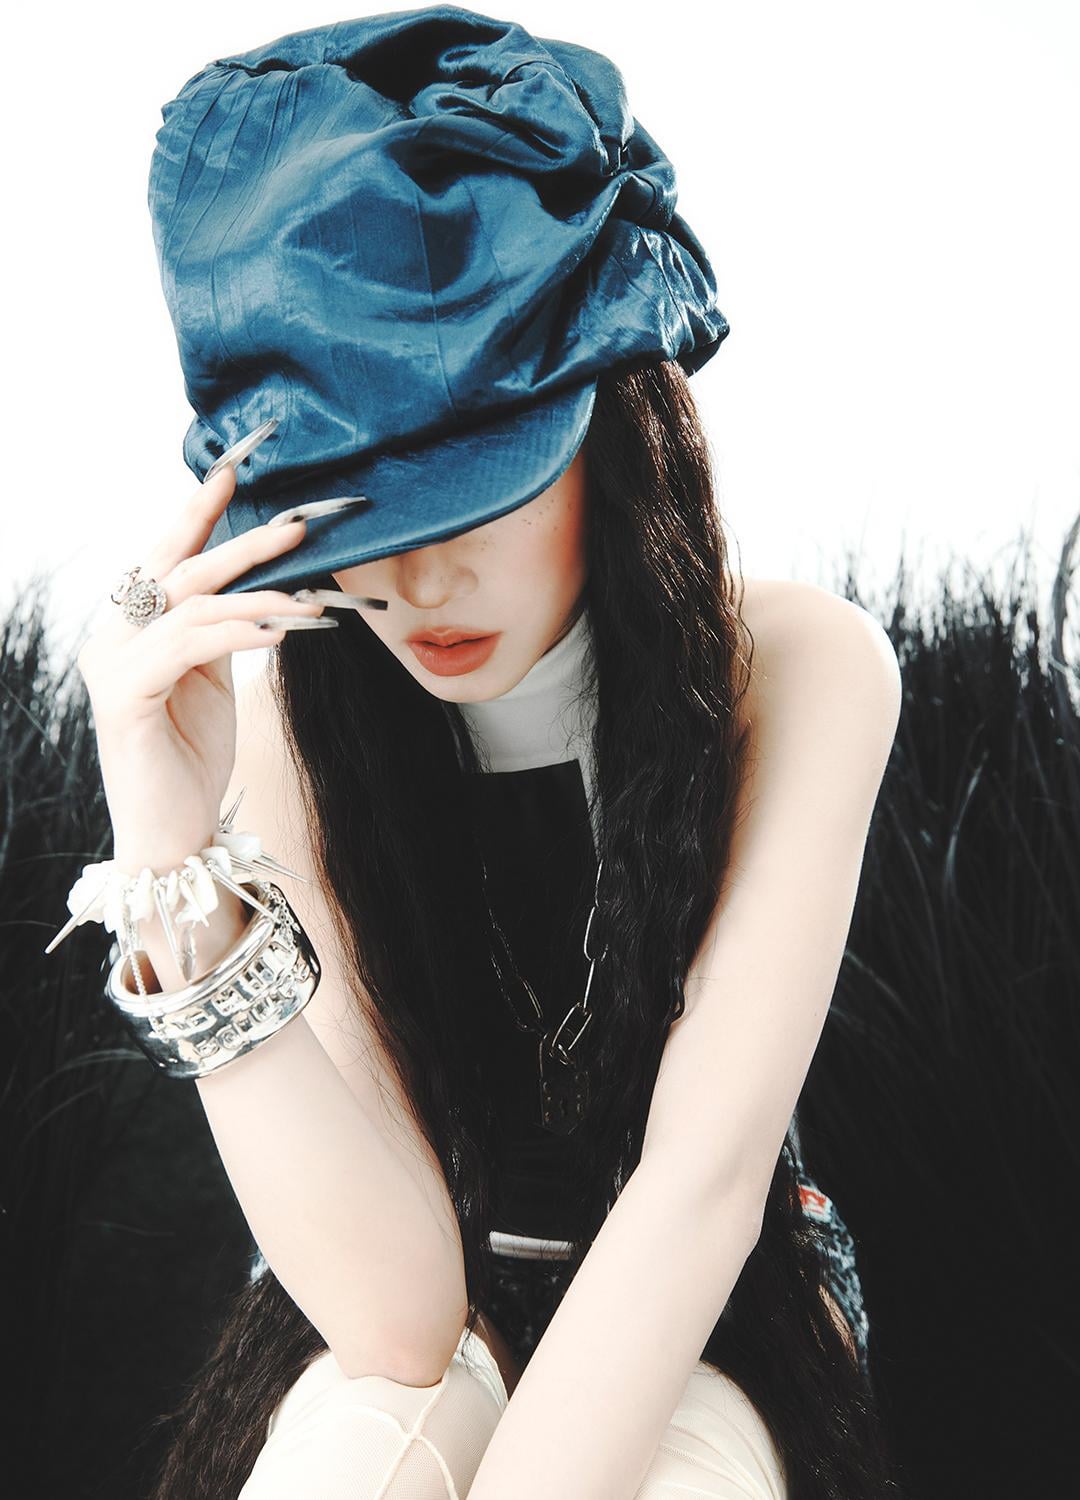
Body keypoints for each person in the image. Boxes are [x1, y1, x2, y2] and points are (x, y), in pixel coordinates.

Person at [60, 9, 906, 1497]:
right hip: (408, 1295)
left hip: (720, 1305)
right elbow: (398, 1316)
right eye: (354, 506)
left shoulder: (799, 669)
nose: (418, 578)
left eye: (472, 481)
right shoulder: (301, 706)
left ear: (607, 420)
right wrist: (172, 850)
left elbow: (699, 1190)